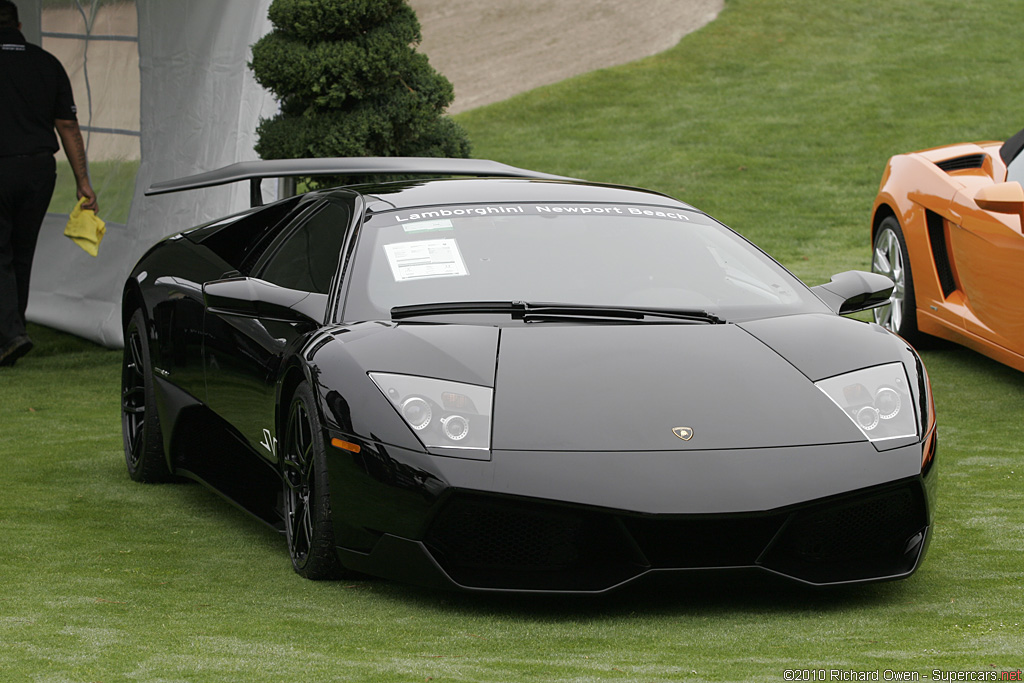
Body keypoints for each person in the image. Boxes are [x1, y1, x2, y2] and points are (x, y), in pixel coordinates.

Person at [0, 0, 97, 366]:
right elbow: (68, 126)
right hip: (40, 170)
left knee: (0, 253)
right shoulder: (46, 63)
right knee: (21, 252)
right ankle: (13, 330)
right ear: (20, 25)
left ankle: (10, 334)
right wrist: (83, 182)